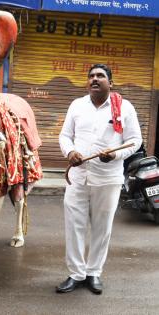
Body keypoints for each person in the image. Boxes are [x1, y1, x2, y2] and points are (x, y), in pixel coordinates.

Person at [56, 64, 142, 294]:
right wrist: (70, 152)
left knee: (101, 228)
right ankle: (75, 274)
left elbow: (135, 140)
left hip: (108, 178)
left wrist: (115, 154)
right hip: (78, 176)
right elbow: (65, 136)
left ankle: (93, 273)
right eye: (91, 76)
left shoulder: (124, 107)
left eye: (100, 76)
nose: (95, 79)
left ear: (110, 83)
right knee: (74, 226)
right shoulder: (77, 105)